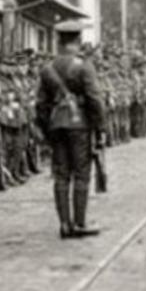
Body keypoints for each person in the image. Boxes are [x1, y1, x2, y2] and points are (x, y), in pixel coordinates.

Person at [36, 20, 106, 239]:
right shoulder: (84, 66)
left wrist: (47, 129)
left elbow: (40, 104)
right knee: (82, 174)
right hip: (79, 125)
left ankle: (64, 224)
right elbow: (95, 99)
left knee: (61, 175)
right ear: (77, 40)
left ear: (59, 41)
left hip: (57, 125)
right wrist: (100, 127)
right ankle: (79, 222)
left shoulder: (47, 68)